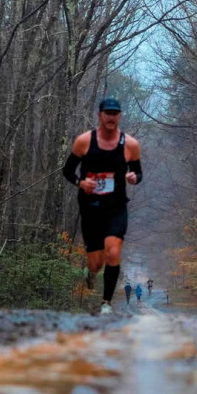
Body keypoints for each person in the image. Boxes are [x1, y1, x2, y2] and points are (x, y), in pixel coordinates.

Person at [63, 98, 143, 315]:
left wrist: (133, 177)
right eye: (107, 113)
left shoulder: (130, 145)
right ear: (100, 115)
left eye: (115, 113)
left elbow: (138, 172)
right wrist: (81, 182)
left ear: (120, 116)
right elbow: (68, 171)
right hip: (90, 205)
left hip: (115, 205)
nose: (111, 117)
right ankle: (91, 272)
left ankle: (106, 303)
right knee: (97, 262)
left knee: (113, 251)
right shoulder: (84, 141)